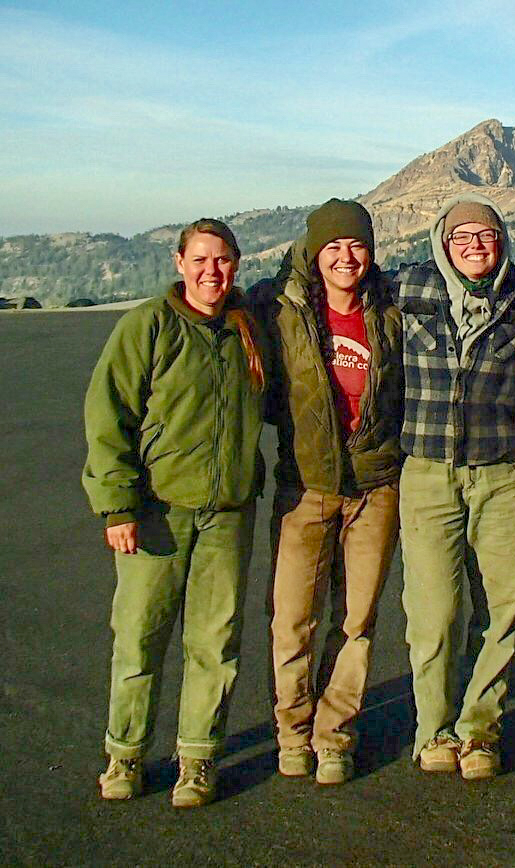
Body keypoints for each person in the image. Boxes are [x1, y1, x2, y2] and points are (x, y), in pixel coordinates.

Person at [83, 218, 266, 808]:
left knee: (215, 642)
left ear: (237, 264)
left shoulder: (248, 330)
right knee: (139, 638)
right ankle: (125, 754)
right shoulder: (148, 326)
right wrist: (117, 504)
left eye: (223, 259)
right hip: (158, 511)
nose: (212, 271)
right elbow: (109, 417)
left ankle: (197, 758)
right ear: (179, 261)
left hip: (227, 513)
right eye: (201, 259)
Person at [392, 193, 515, 780]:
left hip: (500, 472)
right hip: (427, 472)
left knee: (500, 608)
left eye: (487, 235)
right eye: (463, 237)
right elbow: (337, 281)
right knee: (434, 613)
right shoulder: (409, 290)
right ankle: (433, 729)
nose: (476, 246)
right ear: (443, 244)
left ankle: (479, 729)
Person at [262, 199, 402, 785]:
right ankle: (292, 731)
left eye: (357, 245)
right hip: (307, 486)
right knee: (293, 619)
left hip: (374, 485)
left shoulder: (392, 309)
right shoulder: (279, 309)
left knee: (356, 619)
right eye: (334, 246)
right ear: (315, 251)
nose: (346, 257)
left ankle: (334, 733)